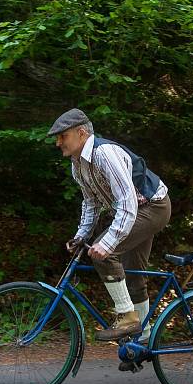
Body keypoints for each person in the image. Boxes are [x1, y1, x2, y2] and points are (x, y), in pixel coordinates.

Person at [48, 108, 171, 342]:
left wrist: (106, 243)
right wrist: (81, 236)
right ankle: (142, 341)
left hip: (153, 207)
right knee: (133, 276)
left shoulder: (105, 153)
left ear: (81, 133)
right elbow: (91, 202)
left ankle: (127, 317)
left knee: (104, 253)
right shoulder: (78, 164)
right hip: (135, 210)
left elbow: (126, 203)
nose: (58, 143)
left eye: (62, 136)